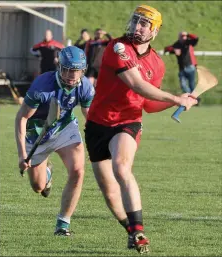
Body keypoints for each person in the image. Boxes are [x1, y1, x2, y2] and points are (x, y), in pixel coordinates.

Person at [84, 5, 197, 254]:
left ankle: (138, 231)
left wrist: (177, 100)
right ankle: (129, 230)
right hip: (97, 124)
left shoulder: (157, 64)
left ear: (154, 31)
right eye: (135, 21)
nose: (137, 26)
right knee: (110, 192)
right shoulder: (117, 47)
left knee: (121, 168)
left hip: (128, 122)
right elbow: (136, 84)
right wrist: (176, 98)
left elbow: (148, 104)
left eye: (144, 23)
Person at [15, 46, 95, 236]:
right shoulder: (42, 85)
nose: (71, 75)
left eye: (76, 71)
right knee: (38, 187)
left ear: (82, 70)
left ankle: (63, 223)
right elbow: (21, 118)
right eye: (67, 69)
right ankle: (47, 174)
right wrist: (22, 155)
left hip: (64, 128)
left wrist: (95, 144)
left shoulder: (85, 86)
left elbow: (90, 119)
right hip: (36, 135)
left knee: (78, 171)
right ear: (60, 67)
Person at [164, 31, 199, 95]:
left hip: (190, 67)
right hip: (182, 68)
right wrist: (173, 50)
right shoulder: (177, 44)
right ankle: (191, 97)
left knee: (192, 85)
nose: (184, 37)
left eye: (185, 36)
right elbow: (166, 49)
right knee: (183, 85)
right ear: (179, 37)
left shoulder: (188, 42)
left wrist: (188, 34)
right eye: (182, 36)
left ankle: (193, 98)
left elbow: (196, 38)